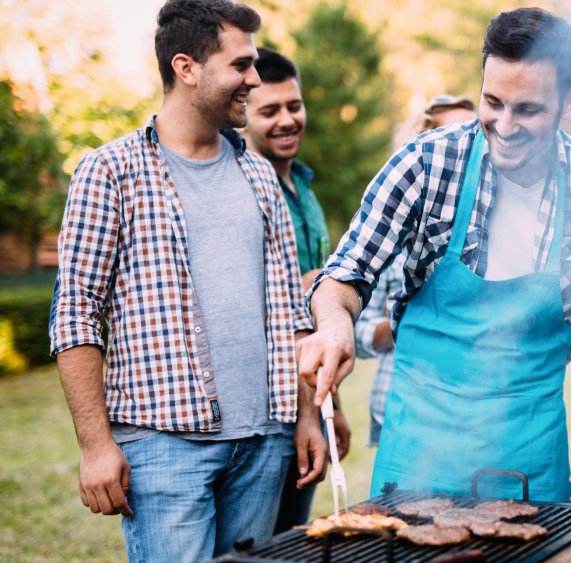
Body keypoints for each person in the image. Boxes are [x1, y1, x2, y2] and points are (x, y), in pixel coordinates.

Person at [299, 7, 571, 503]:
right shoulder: (425, 162)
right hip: (419, 442)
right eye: (493, 102)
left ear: (568, 100)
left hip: (528, 448)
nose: (504, 126)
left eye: (528, 109)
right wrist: (335, 325)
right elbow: (345, 275)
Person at [49, 1, 325, 560]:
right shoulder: (110, 171)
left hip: (265, 442)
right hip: (162, 446)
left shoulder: (258, 174)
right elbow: (75, 311)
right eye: (241, 65)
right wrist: (96, 444)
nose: (254, 78)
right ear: (187, 68)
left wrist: (306, 417)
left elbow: (290, 312)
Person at [242, 46, 350, 533]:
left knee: (292, 540)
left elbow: (321, 315)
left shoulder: (305, 189)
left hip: (310, 401)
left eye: (294, 106)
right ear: (242, 111)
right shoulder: (241, 186)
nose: (287, 120)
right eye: (269, 111)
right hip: (262, 410)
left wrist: (333, 410)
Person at [356, 93, 477, 448]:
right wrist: (408, 323)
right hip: (397, 409)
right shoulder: (391, 239)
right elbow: (357, 333)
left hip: (469, 414)